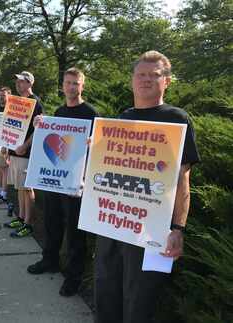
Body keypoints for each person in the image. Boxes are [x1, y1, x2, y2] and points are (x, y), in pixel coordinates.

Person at [93, 50, 200, 323]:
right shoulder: (122, 117)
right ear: (132, 80)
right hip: (113, 224)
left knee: (140, 301)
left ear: (167, 81)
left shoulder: (177, 119)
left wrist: (178, 229)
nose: (146, 80)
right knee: (106, 294)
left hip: (152, 229)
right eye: (141, 74)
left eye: (155, 75)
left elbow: (182, 179)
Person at [27, 68, 98, 297]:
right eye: (68, 83)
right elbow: (50, 139)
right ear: (63, 86)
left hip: (76, 184)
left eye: (75, 83)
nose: (71, 87)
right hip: (54, 179)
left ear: (83, 86)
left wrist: (93, 142)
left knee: (75, 232)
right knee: (52, 222)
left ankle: (74, 277)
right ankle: (50, 260)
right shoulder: (59, 111)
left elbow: (100, 147)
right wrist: (40, 123)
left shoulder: (91, 113)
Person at [4, 71, 43, 238]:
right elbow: (9, 125)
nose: (18, 84)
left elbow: (39, 129)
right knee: (20, 188)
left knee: (27, 189)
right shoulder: (16, 102)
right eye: (17, 82)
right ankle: (21, 217)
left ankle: (28, 223)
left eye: (21, 82)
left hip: (26, 154)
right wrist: (6, 145)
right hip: (14, 151)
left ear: (29, 83)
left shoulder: (36, 103)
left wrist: (25, 146)